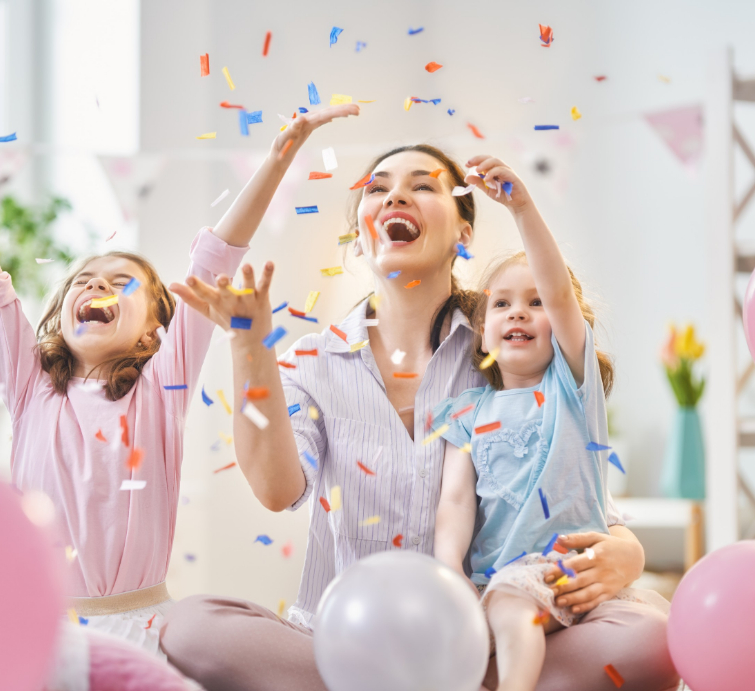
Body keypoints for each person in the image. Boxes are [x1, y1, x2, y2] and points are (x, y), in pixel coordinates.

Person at [161, 141, 680, 690]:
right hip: (340, 641)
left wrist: (625, 548)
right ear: (361, 236)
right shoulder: (310, 362)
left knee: (648, 635)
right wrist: (250, 350)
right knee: (192, 627)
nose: (395, 196)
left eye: (423, 185)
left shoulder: (507, 349)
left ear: (464, 233)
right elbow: (275, 488)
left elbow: (564, 486)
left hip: (477, 635)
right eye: (378, 188)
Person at [0, 80, 358, 656]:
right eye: (84, 281)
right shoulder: (29, 384)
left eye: (120, 281)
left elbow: (218, 252)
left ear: (156, 329)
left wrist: (282, 153)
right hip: (41, 630)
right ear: (60, 319)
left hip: (144, 630)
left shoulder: (163, 383)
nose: (98, 283)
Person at [433, 156, 668, 691]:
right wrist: (448, 574)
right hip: (493, 578)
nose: (518, 312)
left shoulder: (570, 388)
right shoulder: (466, 413)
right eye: (502, 304)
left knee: (513, 606)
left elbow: (561, 293)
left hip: (564, 571)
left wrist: (521, 206)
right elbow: (454, 502)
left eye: (535, 303)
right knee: (477, 625)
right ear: (482, 329)